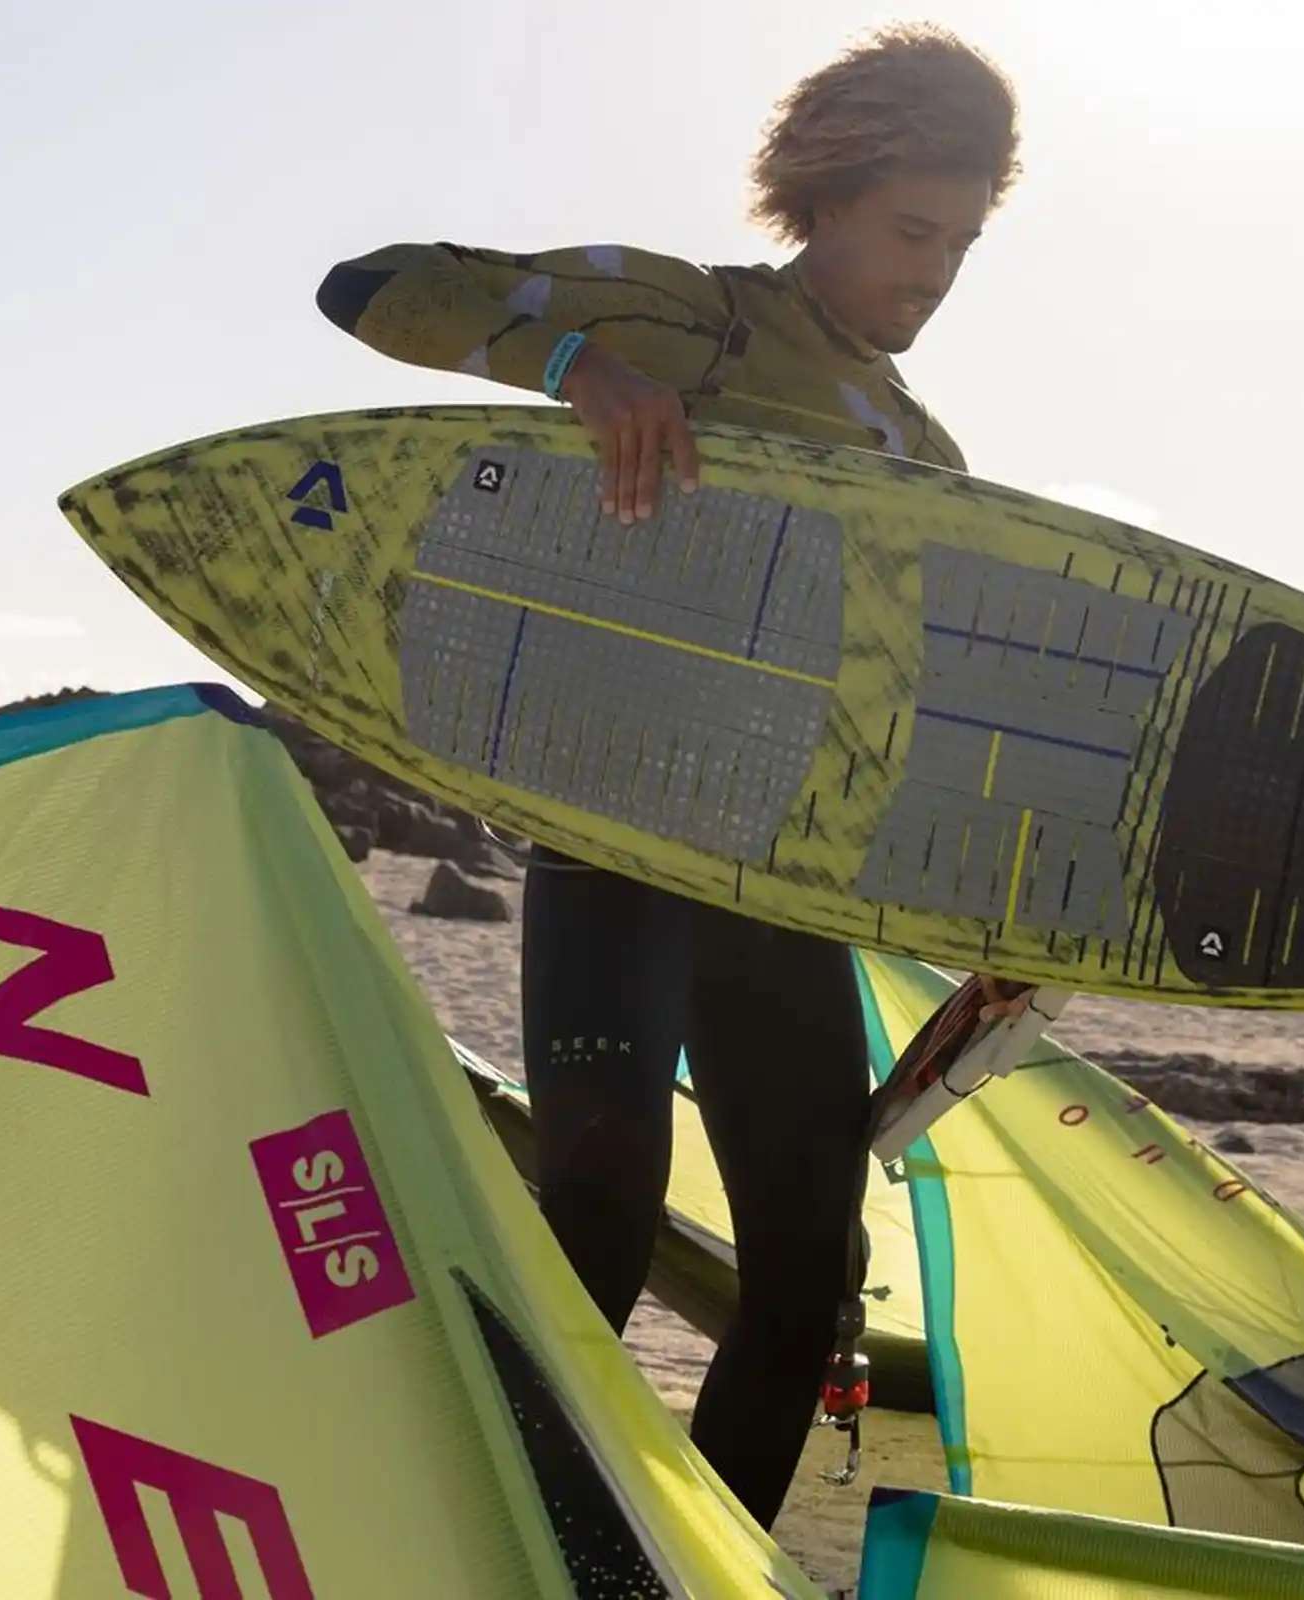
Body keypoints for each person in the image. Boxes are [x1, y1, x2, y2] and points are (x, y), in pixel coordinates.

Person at [315, 22, 1024, 1531]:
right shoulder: (698, 319)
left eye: (963, 246)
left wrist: (997, 916)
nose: (937, 277)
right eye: (912, 233)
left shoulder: (927, 453)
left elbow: (919, 711)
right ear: (826, 199)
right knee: (598, 1202)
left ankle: (700, 1565)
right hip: (619, 834)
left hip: (780, 878)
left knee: (808, 1274)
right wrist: (580, 365)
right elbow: (371, 285)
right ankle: (491, 1534)